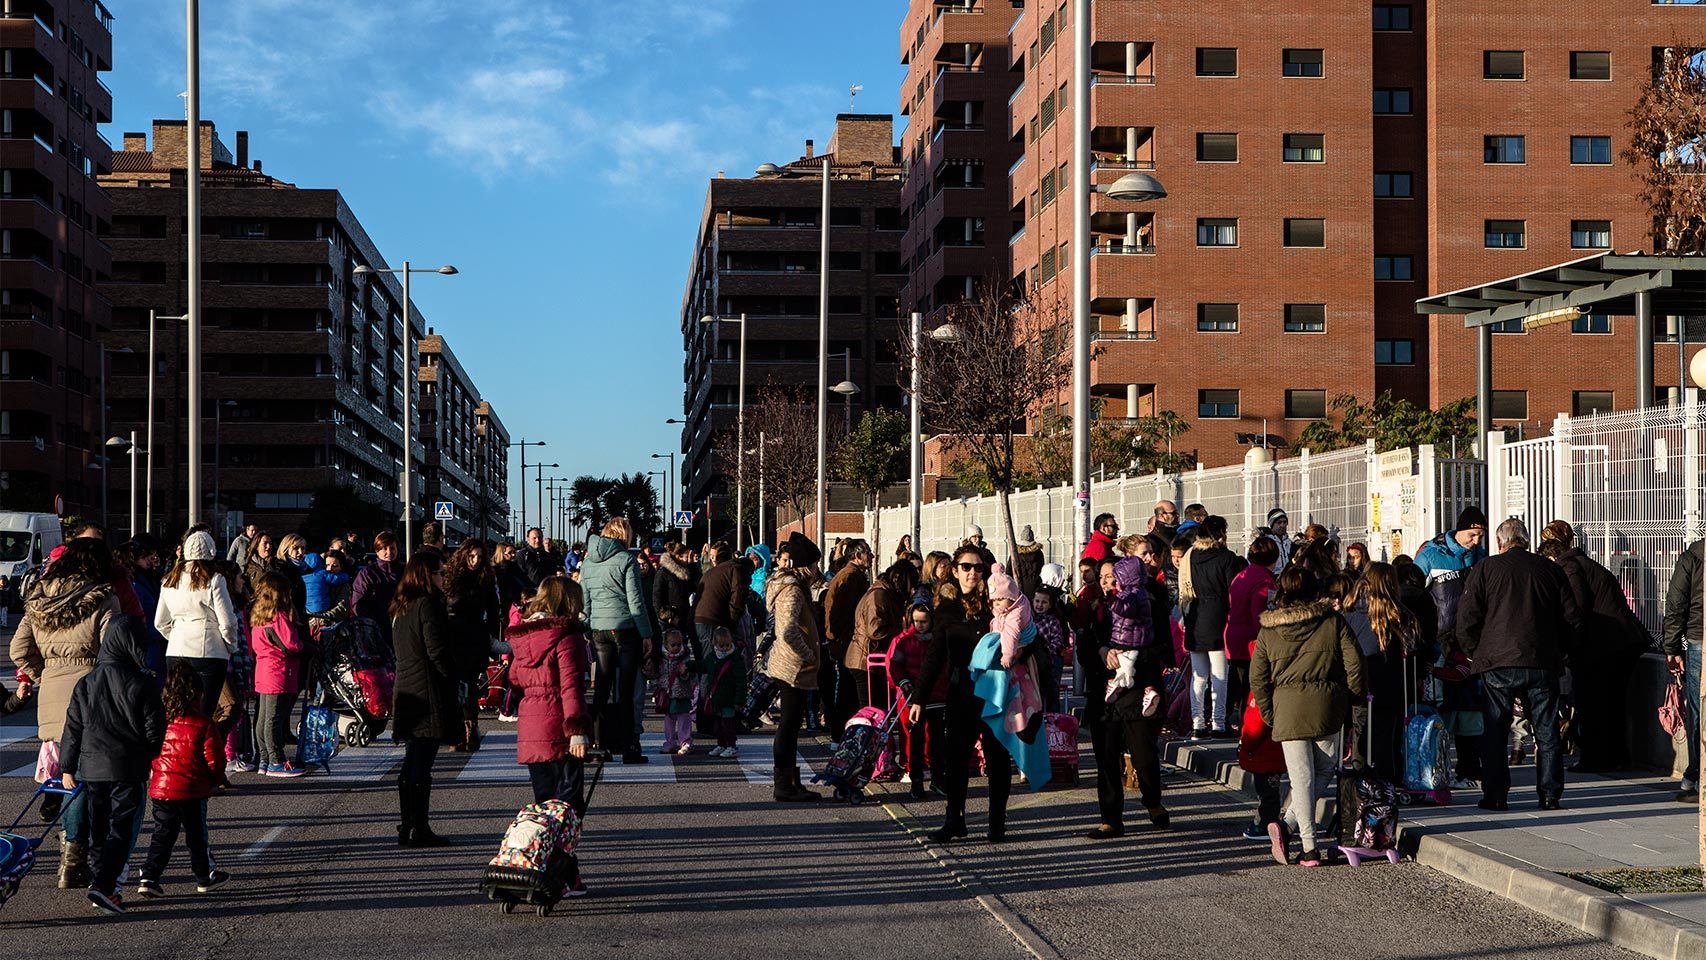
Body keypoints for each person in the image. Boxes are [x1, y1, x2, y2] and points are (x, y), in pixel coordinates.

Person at [11, 536, 123, 889]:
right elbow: (113, 652)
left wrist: (44, 674)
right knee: (90, 783)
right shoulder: (104, 598)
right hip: (94, 696)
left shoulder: (38, 600)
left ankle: (70, 853)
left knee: (66, 777)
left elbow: (18, 649)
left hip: (53, 697)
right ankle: (82, 856)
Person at [1457, 518, 1582, 812]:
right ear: (1525, 540)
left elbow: (1467, 617)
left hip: (1496, 660)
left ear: (1501, 542)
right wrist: (1561, 652)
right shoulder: (1550, 569)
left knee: (1495, 730)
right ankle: (1550, 794)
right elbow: (1571, 618)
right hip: (1541, 659)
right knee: (1546, 730)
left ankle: (1496, 795)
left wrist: (1474, 651)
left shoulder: (1486, 568)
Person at [1250, 566, 1364, 868]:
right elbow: (1354, 663)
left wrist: (1268, 711)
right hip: (1328, 704)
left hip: (1287, 707)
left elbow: (1258, 678)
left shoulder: (1269, 630)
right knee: (1325, 770)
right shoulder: (1332, 620)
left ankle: (1306, 845)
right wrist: (1349, 698)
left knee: (1301, 777)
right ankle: (1289, 828)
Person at [60, 615, 166, 914]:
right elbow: (154, 727)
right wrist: (148, 755)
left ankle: (99, 881)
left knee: (98, 826)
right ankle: (105, 886)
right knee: (121, 828)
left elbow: (73, 728)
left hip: (92, 765)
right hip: (128, 765)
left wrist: (67, 765)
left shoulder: (87, 682)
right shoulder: (142, 681)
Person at [914, 546, 1013, 843]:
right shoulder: (946, 608)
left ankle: (997, 823)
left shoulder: (998, 602)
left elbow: (1026, 634)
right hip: (962, 693)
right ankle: (954, 819)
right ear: (954, 571)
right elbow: (935, 655)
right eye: (966, 567)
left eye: (979, 568)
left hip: (995, 693)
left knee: (997, 759)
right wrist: (919, 696)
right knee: (956, 760)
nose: (972, 573)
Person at [1539, 521, 1648, 774]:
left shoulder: (1569, 568)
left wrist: (1567, 647)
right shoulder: (1583, 563)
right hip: (1620, 642)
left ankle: (1595, 759)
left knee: (1594, 703)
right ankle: (1615, 756)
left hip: (1604, 646)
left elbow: (1575, 611)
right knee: (1610, 703)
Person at [1082, 555, 1171, 838]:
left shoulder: (1143, 602)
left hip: (1138, 690)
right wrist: (1102, 652)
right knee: (1106, 758)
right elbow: (1083, 647)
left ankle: (1152, 800)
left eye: (1113, 576)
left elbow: (1163, 648)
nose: (1109, 582)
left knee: (1143, 754)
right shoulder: (1094, 606)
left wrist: (1131, 657)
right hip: (1103, 694)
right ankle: (1111, 818)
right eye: (1104, 577)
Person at [136, 663, 230, 900]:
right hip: (192, 788)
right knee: (196, 835)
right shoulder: (204, 724)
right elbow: (215, 760)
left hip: (163, 786)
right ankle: (203, 875)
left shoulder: (159, 719)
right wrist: (214, 780)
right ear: (196, 693)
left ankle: (149, 875)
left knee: (162, 834)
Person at [1414, 506, 1488, 786]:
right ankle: (1436, 769)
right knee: (1440, 709)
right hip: (1438, 643)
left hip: (1470, 643)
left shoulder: (1480, 557)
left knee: (1470, 708)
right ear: (1459, 531)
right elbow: (1416, 593)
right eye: (1472, 535)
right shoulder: (1432, 555)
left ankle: (1469, 767)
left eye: (1480, 536)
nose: (1476, 541)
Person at [390, 552, 458, 847]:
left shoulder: (400, 606)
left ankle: (408, 824)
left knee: (411, 760)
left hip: (406, 688)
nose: (444, 578)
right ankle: (419, 826)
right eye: (440, 573)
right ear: (426, 575)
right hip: (426, 689)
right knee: (422, 763)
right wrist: (453, 675)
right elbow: (436, 649)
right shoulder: (428, 604)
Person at [581, 518, 654, 765]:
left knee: (601, 688)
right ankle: (629, 744)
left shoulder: (589, 562)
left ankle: (599, 743)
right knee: (625, 689)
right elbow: (636, 602)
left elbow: (586, 599)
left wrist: (589, 627)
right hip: (624, 629)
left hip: (599, 629)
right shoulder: (626, 560)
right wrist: (646, 634)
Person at [152, 531, 243, 722]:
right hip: (210, 650)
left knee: (177, 711)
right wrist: (230, 646)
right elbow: (227, 621)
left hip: (177, 649)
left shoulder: (169, 580)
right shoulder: (215, 579)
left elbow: (160, 622)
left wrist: (177, 634)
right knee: (204, 713)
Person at [1340, 563, 1420, 777]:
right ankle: (1386, 781)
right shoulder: (1397, 613)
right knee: (1386, 735)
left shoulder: (1348, 610)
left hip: (1357, 681)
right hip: (1389, 682)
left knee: (1360, 730)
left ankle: (1361, 781)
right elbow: (1412, 646)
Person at [766, 533, 823, 802]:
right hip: (793, 667)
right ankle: (785, 785)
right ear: (806, 566)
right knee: (788, 726)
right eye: (814, 565)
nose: (817, 570)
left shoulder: (795, 588)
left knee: (791, 726)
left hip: (794, 666)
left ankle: (790, 781)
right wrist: (808, 653)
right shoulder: (792, 590)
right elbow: (787, 630)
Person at [1183, 517, 1245, 738]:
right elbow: (1232, 589)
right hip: (1218, 617)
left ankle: (1197, 724)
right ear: (1220, 533)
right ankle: (1218, 723)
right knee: (1220, 675)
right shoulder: (1226, 557)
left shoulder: (1190, 556)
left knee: (1198, 676)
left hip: (1195, 616)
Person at [249, 573, 311, 779]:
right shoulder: (279, 617)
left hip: (264, 670)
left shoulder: (260, 617)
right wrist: (309, 647)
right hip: (279, 672)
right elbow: (292, 645)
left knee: (264, 717)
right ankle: (276, 760)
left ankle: (265, 758)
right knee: (274, 718)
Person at [444, 539, 498, 753]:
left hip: (474, 636)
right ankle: (457, 731)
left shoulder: (485, 578)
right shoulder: (452, 576)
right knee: (454, 684)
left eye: (479, 557)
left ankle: (470, 727)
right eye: (471, 556)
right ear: (464, 555)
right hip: (453, 635)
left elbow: (494, 609)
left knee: (470, 685)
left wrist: (492, 637)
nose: (475, 561)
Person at [888, 602, 946, 799]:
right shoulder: (905, 641)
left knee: (938, 741)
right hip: (914, 698)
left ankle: (938, 778)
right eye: (916, 621)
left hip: (937, 696)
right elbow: (894, 665)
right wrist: (903, 683)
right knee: (916, 740)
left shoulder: (938, 640)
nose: (920, 625)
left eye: (924, 621)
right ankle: (917, 780)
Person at [1663, 537, 1704, 803]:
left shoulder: (1694, 556)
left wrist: (1672, 647)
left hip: (1700, 640)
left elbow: (1676, 603)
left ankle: (1696, 776)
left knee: (1700, 713)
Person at [1225, 538, 1279, 737]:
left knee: (1241, 687)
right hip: (1251, 642)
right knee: (1252, 689)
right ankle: (1248, 731)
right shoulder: (1265, 580)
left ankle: (1241, 728)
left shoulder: (1241, 575)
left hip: (1233, 637)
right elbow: (1261, 616)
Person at [849, 561, 917, 714]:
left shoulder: (887, 594)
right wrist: (902, 630)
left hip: (873, 657)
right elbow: (875, 630)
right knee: (870, 709)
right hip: (865, 658)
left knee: (878, 707)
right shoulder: (878, 595)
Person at [823, 539, 874, 738]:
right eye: (867, 552)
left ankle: (841, 733)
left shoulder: (849, 574)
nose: (871, 556)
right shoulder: (851, 577)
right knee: (848, 691)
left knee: (847, 689)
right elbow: (841, 611)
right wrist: (836, 637)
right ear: (857, 555)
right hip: (847, 640)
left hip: (844, 640)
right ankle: (843, 734)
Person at [695, 548, 753, 658]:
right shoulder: (737, 571)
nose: (751, 579)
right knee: (713, 662)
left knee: (705, 661)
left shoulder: (724, 569)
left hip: (700, 618)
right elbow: (737, 601)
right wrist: (731, 627)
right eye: (751, 574)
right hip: (711, 619)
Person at [700, 626, 747, 759]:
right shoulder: (713, 656)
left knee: (728, 725)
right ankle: (721, 744)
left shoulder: (735, 659)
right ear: (714, 643)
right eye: (722, 645)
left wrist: (739, 700)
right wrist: (689, 666)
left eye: (727, 645)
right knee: (718, 725)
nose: (725, 648)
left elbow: (741, 681)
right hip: (717, 698)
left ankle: (730, 745)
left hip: (729, 699)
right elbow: (703, 666)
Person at [350, 531, 404, 643]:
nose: (389, 552)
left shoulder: (405, 571)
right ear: (377, 551)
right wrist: (374, 623)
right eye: (384, 548)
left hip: (403, 628)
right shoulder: (367, 574)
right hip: (377, 631)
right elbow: (358, 604)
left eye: (392, 548)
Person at [657, 629, 698, 755]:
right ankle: (670, 742)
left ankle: (685, 741)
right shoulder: (662, 658)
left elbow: (691, 676)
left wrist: (684, 672)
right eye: (673, 645)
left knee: (684, 718)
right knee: (669, 719)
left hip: (682, 692)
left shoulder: (685, 657)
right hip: (668, 694)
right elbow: (658, 674)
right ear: (666, 645)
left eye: (679, 645)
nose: (676, 648)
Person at [652, 541, 699, 637]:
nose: (688, 559)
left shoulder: (685, 572)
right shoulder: (664, 573)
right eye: (686, 557)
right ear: (678, 556)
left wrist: (692, 565)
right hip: (670, 620)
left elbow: (695, 586)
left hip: (684, 618)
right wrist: (665, 616)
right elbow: (657, 597)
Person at [1012, 525, 1045, 597]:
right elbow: (1042, 569)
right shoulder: (1038, 553)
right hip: (1035, 587)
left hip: (1018, 587)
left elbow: (1009, 571)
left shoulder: (1015, 554)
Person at [243, 531, 274, 596]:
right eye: (265, 543)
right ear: (257, 546)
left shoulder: (276, 564)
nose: (268, 546)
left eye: (270, 543)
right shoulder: (248, 566)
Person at [1264, 509, 1293, 573]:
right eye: (1279, 522)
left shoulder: (1289, 543)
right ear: (1271, 524)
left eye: (1284, 522)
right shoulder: (1266, 544)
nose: (1282, 525)